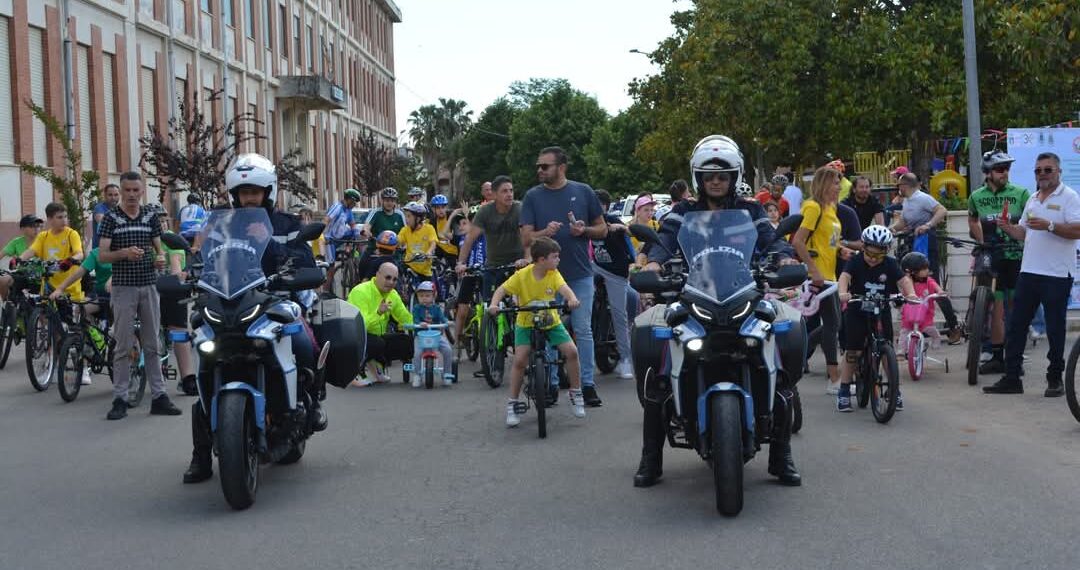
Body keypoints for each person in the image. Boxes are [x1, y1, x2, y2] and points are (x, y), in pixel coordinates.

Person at [636, 134, 800, 488]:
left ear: (733, 176)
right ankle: (651, 459)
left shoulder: (752, 211)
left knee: (779, 360)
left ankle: (781, 454)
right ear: (698, 178)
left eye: (722, 175)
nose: (715, 181)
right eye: (709, 175)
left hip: (744, 293)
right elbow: (664, 242)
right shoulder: (682, 212)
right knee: (661, 371)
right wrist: (653, 264)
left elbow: (772, 240)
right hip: (693, 294)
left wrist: (784, 257)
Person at [182, 154, 324, 483]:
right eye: (243, 192)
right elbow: (205, 262)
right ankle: (201, 455)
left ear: (267, 192)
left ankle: (311, 402)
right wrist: (192, 275)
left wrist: (270, 242)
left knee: (303, 342)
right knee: (205, 358)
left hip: (275, 298)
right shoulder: (220, 224)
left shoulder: (286, 225)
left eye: (255, 192)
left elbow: (302, 261)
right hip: (229, 301)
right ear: (234, 194)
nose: (249, 198)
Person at [984, 152, 1080, 397]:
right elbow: (1025, 233)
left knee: (1055, 328)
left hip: (1057, 273)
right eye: (1038, 170)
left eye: (1048, 170)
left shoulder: (1069, 197)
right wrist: (1008, 228)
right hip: (1029, 271)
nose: (1042, 174)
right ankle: (1012, 377)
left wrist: (1050, 225)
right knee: (1016, 325)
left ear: (1058, 171)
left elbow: (1077, 230)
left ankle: (1055, 379)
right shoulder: (1034, 199)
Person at [520, 146, 607, 407]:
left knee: (582, 329)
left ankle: (587, 385)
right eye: (538, 166)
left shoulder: (583, 192)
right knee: (547, 329)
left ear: (561, 167)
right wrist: (544, 231)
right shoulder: (533, 196)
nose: (540, 170)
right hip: (545, 277)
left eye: (545, 166)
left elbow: (602, 230)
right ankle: (550, 382)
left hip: (579, 274)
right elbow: (526, 237)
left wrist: (585, 230)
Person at [95, 172, 180, 421]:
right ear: (120, 191)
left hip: (149, 286)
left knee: (152, 342)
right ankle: (120, 397)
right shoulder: (111, 219)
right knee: (123, 345)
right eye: (128, 190)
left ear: (142, 192)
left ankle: (159, 396)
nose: (132, 195)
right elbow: (102, 255)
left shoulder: (150, 216)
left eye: (136, 190)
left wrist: (160, 258)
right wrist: (123, 253)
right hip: (123, 288)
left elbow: (158, 249)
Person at [488, 237, 586, 426]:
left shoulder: (553, 274)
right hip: (525, 322)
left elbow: (565, 290)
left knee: (571, 352)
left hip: (550, 321)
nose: (558, 260)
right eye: (554, 257)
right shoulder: (522, 275)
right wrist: (493, 304)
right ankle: (513, 403)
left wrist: (572, 299)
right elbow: (501, 290)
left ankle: (576, 392)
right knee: (519, 360)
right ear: (541, 260)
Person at [835, 225, 917, 412]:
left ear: (885, 252)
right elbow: (844, 277)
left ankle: (894, 391)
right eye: (869, 254)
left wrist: (910, 294)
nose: (872, 259)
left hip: (880, 311)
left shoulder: (890, 264)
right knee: (853, 351)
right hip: (857, 309)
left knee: (887, 348)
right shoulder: (855, 261)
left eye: (877, 256)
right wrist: (843, 292)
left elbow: (903, 280)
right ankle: (845, 390)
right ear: (863, 247)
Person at [967, 150, 1030, 375]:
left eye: (1007, 168)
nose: (1005, 173)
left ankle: (1014, 356)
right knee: (993, 308)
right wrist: (981, 238)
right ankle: (996, 355)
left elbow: (1029, 222)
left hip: (1015, 257)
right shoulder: (976, 196)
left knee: (1014, 310)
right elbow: (972, 219)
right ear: (988, 172)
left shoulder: (1021, 193)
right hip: (990, 257)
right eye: (1000, 169)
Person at [890, 172, 962, 343]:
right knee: (909, 283)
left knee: (931, 283)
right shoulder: (907, 201)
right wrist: (891, 229)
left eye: (899, 185)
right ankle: (910, 325)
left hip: (927, 242)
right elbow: (904, 222)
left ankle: (953, 326)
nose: (898, 188)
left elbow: (942, 210)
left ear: (905, 186)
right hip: (914, 242)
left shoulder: (922, 198)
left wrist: (928, 225)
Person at [454, 175, 525, 344]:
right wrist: (461, 263)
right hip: (493, 265)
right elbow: (470, 239)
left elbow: (528, 236)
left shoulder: (520, 209)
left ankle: (524, 342)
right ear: (493, 194)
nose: (509, 194)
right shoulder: (485, 212)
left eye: (511, 190)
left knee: (522, 306)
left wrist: (527, 258)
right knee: (490, 308)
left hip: (518, 264)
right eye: (504, 191)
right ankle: (493, 354)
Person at [792, 166, 844, 394]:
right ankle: (834, 379)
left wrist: (841, 250)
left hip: (831, 276)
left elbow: (827, 241)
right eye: (835, 183)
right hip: (819, 279)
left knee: (833, 325)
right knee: (832, 326)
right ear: (824, 184)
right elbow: (798, 241)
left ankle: (799, 354)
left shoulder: (831, 209)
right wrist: (813, 271)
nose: (839, 187)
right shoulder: (812, 207)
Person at [592, 189, 637, 379]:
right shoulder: (586, 222)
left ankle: (625, 359)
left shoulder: (613, 220)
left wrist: (621, 229)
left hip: (616, 272)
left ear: (605, 206)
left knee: (620, 314)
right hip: (595, 267)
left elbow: (631, 233)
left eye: (596, 204)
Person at [347, 262, 414, 386]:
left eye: (394, 279)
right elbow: (361, 325)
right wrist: (378, 312)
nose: (391, 282)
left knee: (407, 342)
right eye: (387, 277)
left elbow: (405, 317)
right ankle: (354, 372)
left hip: (377, 336)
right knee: (377, 343)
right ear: (377, 275)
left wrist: (422, 327)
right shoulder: (360, 291)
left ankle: (377, 364)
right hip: (355, 336)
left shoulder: (392, 294)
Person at [20, 203, 86, 302]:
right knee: (43, 315)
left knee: (66, 317)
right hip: (48, 287)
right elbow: (31, 251)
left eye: (65, 216)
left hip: (69, 288)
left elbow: (80, 254)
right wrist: (18, 260)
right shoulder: (43, 236)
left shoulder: (71, 234)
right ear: (50, 219)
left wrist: (70, 260)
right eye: (59, 217)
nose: (64, 220)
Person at [897, 252, 943, 357]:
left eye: (927, 268)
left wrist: (940, 292)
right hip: (909, 314)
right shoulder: (906, 282)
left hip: (925, 315)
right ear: (912, 272)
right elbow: (900, 291)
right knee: (904, 332)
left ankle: (936, 339)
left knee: (931, 330)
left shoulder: (928, 281)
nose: (927, 271)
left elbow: (935, 285)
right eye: (924, 269)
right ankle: (901, 350)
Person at [410, 281, 454, 388]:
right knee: (417, 354)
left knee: (447, 350)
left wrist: (446, 322)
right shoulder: (416, 308)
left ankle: (447, 373)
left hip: (436, 335)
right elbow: (415, 320)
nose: (424, 298)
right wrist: (419, 323)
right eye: (421, 296)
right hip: (421, 336)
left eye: (427, 295)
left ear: (433, 296)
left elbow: (442, 318)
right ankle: (417, 375)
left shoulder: (436, 308)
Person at [0, 215, 43, 300]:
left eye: (38, 226)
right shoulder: (17, 242)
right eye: (32, 226)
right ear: (23, 229)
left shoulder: (44, 240)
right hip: (23, 275)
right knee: (3, 280)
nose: (36, 228)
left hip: (43, 276)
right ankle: (6, 302)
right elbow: (1, 254)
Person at [398, 201, 439, 290]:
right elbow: (398, 241)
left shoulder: (429, 228)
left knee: (429, 293)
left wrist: (428, 252)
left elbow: (433, 243)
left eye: (409, 216)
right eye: (406, 216)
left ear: (418, 218)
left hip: (424, 270)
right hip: (409, 265)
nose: (406, 219)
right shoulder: (405, 230)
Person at [363, 187, 406, 253]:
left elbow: (406, 231)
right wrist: (366, 231)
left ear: (395, 202)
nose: (389, 203)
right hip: (375, 250)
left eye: (392, 201)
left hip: (394, 250)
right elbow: (367, 226)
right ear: (382, 201)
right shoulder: (376, 212)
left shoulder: (400, 215)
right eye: (387, 200)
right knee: (363, 262)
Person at [324, 188, 362, 260]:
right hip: (330, 239)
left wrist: (357, 235)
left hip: (340, 236)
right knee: (331, 266)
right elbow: (326, 220)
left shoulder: (348, 210)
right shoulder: (337, 207)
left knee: (355, 231)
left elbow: (352, 224)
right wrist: (322, 235)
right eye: (354, 202)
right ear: (349, 200)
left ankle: (350, 252)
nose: (355, 205)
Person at [628, 193, 659, 268]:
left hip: (652, 269)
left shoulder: (656, 226)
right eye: (646, 210)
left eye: (652, 210)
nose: (650, 213)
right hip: (634, 270)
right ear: (637, 211)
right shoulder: (628, 228)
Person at [430, 194, 458, 265]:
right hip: (439, 252)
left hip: (453, 252)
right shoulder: (432, 221)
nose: (441, 210)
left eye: (443, 207)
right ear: (434, 209)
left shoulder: (452, 217)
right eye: (438, 208)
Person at [92, 183, 121, 248]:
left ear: (120, 196)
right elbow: (101, 220)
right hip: (99, 249)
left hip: (115, 249)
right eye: (110, 195)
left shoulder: (120, 209)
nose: (113, 198)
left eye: (116, 195)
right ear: (105, 195)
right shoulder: (99, 207)